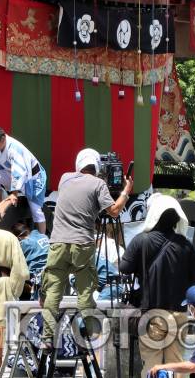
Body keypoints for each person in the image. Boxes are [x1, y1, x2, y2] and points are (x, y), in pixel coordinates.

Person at [39, 148, 131, 350]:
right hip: (82, 244)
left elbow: (80, 197)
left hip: (58, 243)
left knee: (53, 292)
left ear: (78, 164)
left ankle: (47, 338)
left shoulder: (64, 179)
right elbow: (114, 211)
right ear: (97, 167)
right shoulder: (98, 184)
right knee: (85, 294)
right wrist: (125, 191)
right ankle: (87, 337)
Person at [118, 193, 195, 378]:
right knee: (177, 365)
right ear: (177, 218)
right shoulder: (186, 245)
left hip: (151, 313)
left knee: (152, 364)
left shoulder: (141, 240)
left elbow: (124, 268)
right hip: (179, 313)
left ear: (153, 215)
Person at [13, 222, 49, 296]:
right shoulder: (44, 236)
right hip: (51, 270)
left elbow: (16, 262)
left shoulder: (24, 243)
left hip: (36, 277)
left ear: (18, 238)